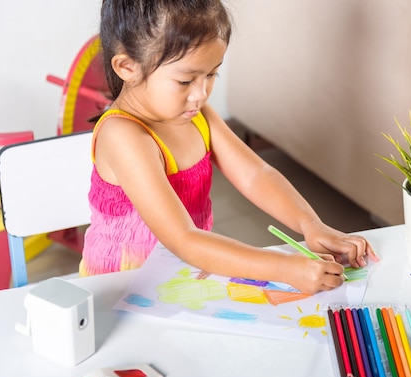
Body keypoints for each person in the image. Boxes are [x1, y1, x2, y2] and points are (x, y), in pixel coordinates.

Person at [80, 0, 379, 294]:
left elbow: (255, 174)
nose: (200, 94)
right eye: (185, 81)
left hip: (184, 277)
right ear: (127, 67)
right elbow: (183, 239)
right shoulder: (123, 136)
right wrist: (284, 268)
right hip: (121, 291)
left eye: (211, 74)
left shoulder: (196, 115)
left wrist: (310, 224)